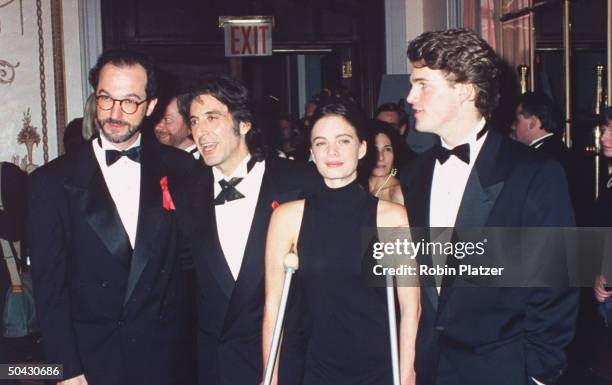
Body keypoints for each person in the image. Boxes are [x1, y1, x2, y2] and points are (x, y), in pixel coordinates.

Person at [401, 29, 577, 385]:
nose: (410, 97)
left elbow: (558, 283)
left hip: (504, 370)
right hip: (430, 369)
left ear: (464, 90)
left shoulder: (535, 173)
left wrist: (538, 374)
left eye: (422, 84)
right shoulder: (414, 174)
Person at [29, 49, 197, 385]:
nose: (115, 113)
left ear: (151, 106)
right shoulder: (51, 182)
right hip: (91, 363)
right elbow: (49, 289)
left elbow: (192, 272)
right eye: (106, 98)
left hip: (165, 360)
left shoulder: (183, 171)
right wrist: (65, 369)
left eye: (130, 101)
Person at [263, 97, 420, 385]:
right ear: (311, 151)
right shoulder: (288, 218)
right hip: (317, 368)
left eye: (343, 141)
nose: (332, 151)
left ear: (361, 148)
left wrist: (407, 376)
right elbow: (274, 304)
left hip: (381, 370)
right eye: (321, 143)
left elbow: (411, 306)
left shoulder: (393, 218)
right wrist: (270, 376)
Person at [175, 73, 318, 385]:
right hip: (214, 368)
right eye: (195, 121)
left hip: (286, 365)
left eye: (212, 117)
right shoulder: (184, 192)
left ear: (244, 123)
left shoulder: (300, 183)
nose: (200, 131)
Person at [365, 120, 405, 205]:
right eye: (374, 149)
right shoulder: (357, 188)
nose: (380, 157)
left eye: (387, 149)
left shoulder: (398, 193)